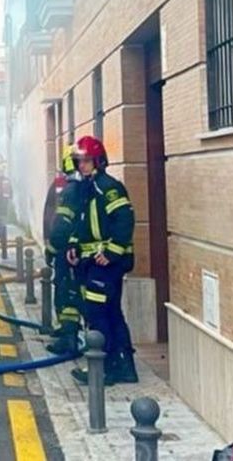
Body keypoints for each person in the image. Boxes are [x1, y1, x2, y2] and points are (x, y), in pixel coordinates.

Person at [66, 135, 138, 385]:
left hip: (106, 265)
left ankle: (103, 369)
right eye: (79, 162)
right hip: (94, 263)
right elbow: (82, 222)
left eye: (86, 161)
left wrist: (112, 252)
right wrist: (74, 244)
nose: (82, 166)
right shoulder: (87, 188)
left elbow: (125, 219)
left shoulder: (108, 187)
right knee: (111, 313)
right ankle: (125, 367)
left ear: (99, 161)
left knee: (97, 314)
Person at [42, 145, 86, 361]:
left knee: (66, 291)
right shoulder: (85, 187)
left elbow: (58, 223)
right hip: (79, 250)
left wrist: (51, 247)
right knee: (71, 290)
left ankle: (68, 339)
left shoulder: (68, 189)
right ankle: (67, 329)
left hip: (66, 251)